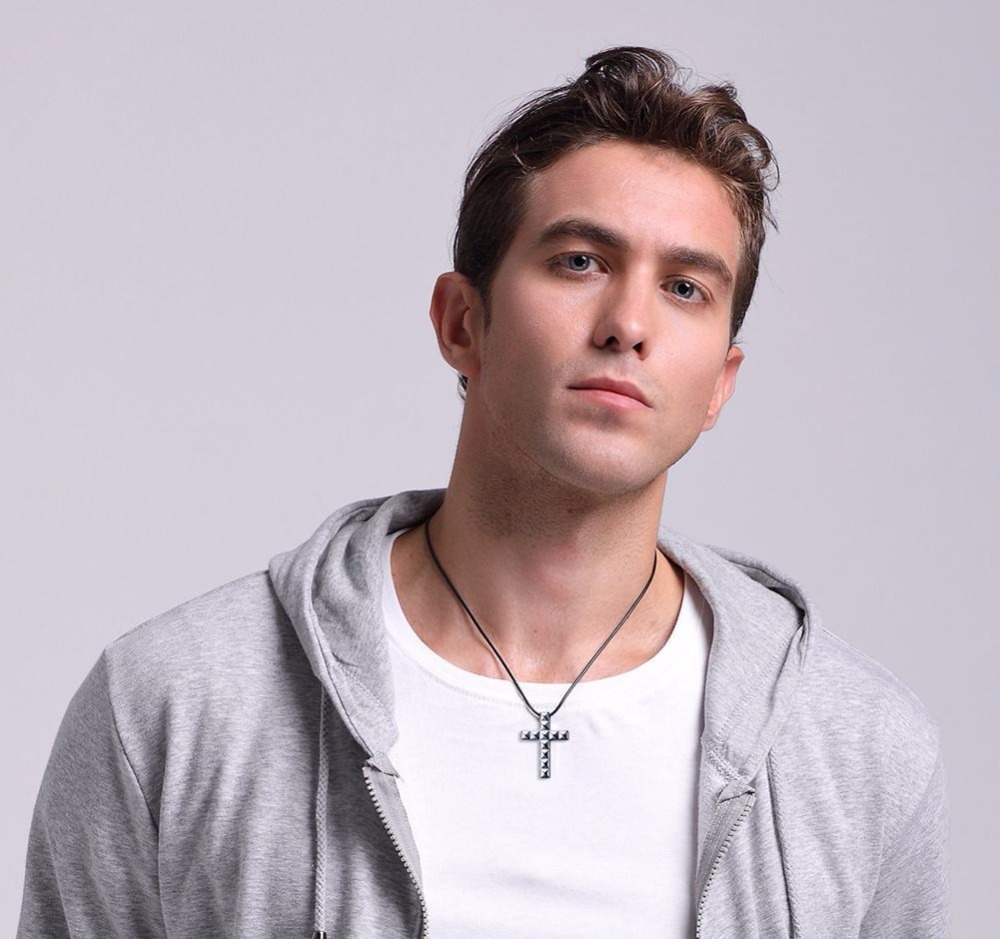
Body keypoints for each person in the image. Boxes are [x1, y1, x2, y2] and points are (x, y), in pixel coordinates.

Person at [18, 47, 948, 938]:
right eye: (580, 261)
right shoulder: (174, 703)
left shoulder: (859, 749)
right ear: (462, 322)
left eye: (684, 287)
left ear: (720, 385)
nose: (628, 324)